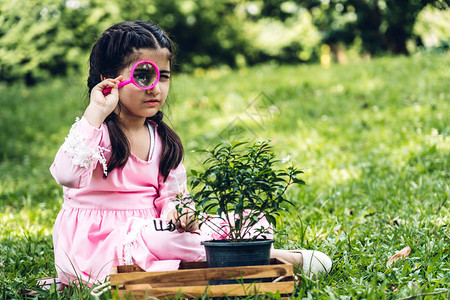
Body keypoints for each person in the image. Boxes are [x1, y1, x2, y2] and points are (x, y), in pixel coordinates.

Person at [50, 20, 332, 286]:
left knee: (237, 223)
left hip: (155, 230)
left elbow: (173, 197)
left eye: (165, 77)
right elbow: (66, 174)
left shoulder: (162, 139)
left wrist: (178, 213)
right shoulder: (94, 133)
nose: (157, 88)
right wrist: (96, 112)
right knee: (163, 242)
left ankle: (247, 255)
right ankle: (273, 259)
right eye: (144, 75)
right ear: (109, 81)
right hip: (100, 246)